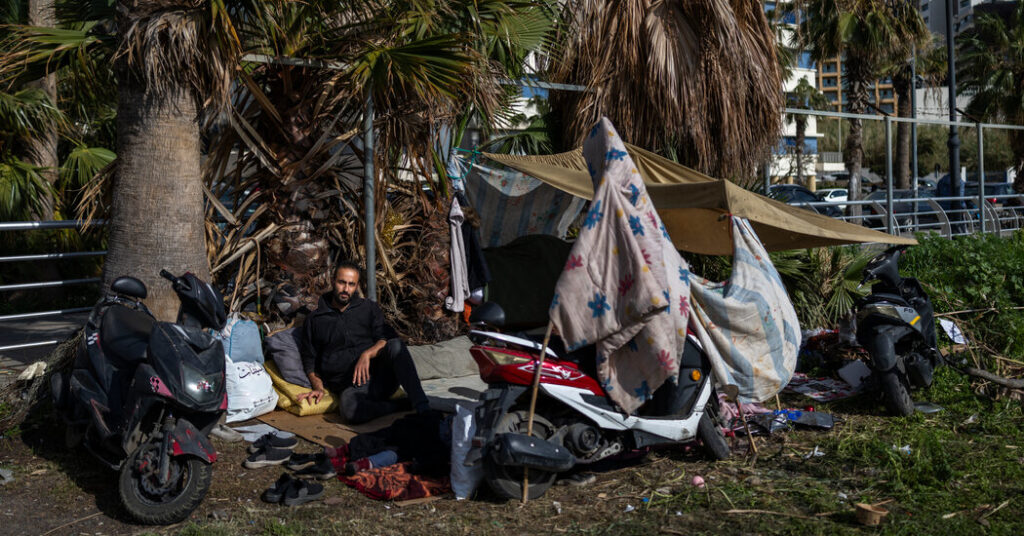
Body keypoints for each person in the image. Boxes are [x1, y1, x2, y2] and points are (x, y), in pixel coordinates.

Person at [297, 261, 430, 423]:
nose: (346, 289)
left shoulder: (367, 308)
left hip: (381, 379)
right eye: (342, 282)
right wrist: (318, 388)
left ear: (357, 286)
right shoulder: (315, 320)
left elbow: (387, 336)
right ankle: (399, 406)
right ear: (333, 281)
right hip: (350, 387)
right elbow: (310, 361)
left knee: (396, 345)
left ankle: (423, 407)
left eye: (351, 284)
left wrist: (367, 354)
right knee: (348, 410)